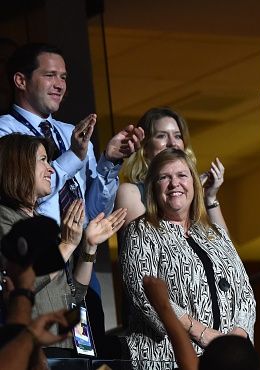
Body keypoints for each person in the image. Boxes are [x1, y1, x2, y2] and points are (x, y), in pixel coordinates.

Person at [0, 42, 144, 347]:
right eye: (50, 75)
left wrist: (109, 162)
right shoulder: (4, 133)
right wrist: (72, 158)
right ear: (20, 81)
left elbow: (92, 208)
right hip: (36, 258)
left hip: (82, 260)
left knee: (82, 352)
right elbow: (21, 191)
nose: (59, 85)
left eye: (64, 77)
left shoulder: (72, 133)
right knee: (44, 349)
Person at [120, 149, 255, 369]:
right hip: (167, 359)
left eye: (182, 175)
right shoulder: (141, 231)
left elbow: (245, 292)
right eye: (165, 177)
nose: (175, 183)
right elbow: (144, 294)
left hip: (225, 362)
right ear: (153, 188)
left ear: (194, 183)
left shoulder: (214, 233)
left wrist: (236, 338)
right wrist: (201, 333)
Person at [0, 133, 126, 355]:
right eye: (42, 160)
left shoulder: (41, 226)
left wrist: (89, 246)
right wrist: (67, 245)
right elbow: (18, 284)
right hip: (31, 352)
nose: (50, 169)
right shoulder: (4, 219)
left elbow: (74, 295)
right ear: (17, 164)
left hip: (65, 350)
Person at [116, 106, 226, 231]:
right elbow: (144, 244)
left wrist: (209, 197)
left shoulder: (190, 191)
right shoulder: (130, 192)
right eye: (162, 136)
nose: (173, 143)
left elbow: (224, 247)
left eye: (178, 136)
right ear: (145, 147)